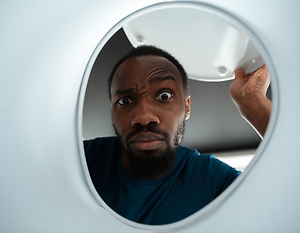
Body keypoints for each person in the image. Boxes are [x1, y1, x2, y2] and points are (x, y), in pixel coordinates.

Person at [84, 45, 271, 225]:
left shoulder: (211, 179)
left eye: (164, 96)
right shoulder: (79, 161)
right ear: (112, 111)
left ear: (187, 106)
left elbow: (287, 206)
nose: (144, 117)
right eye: (125, 100)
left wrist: (254, 102)